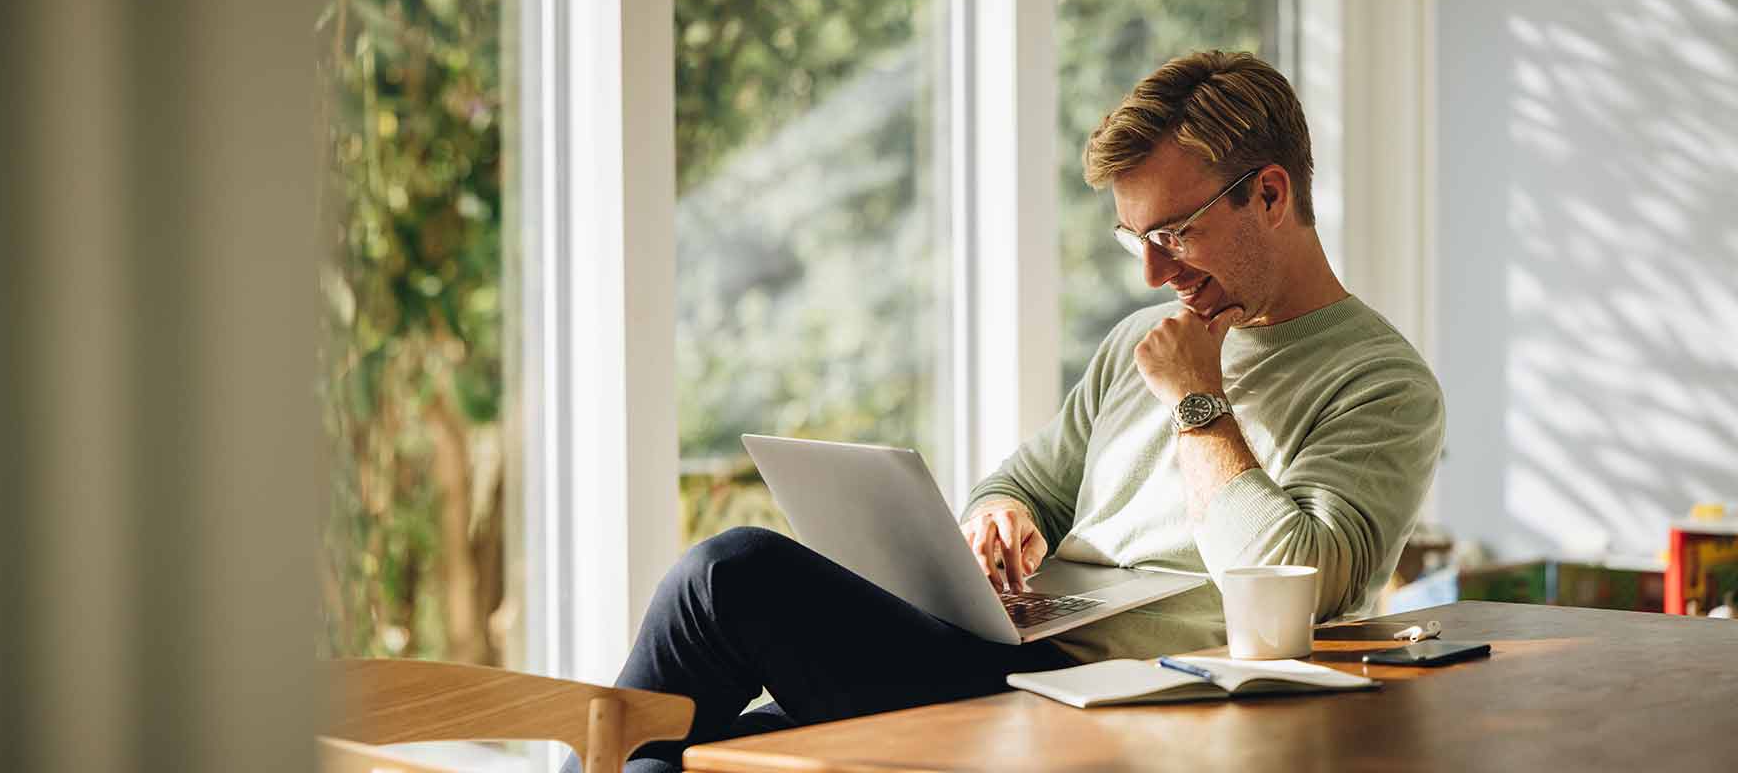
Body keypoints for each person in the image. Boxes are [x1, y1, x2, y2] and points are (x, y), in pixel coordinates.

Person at [568, 50, 1445, 773]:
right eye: (1135, 240)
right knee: (675, 754)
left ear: (1271, 194)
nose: (1152, 274)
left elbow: (1297, 578)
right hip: (1006, 660)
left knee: (731, 575)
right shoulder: (1141, 339)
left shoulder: (1381, 384)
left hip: (1128, 709)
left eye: (1174, 233)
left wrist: (1198, 400)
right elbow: (1026, 481)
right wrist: (1002, 516)